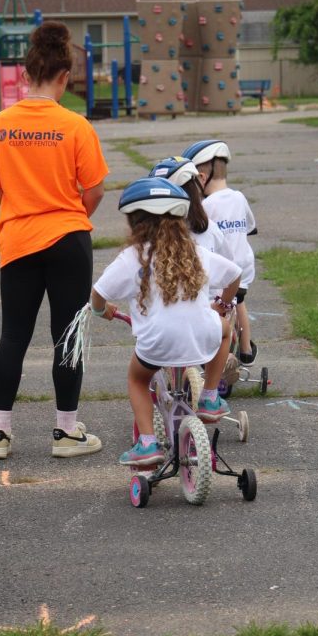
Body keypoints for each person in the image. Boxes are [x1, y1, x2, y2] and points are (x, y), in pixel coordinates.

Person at [0, 21, 109, 460]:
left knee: (13, 336)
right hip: (68, 239)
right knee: (66, 337)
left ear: (25, 74)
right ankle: (66, 432)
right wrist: (68, 215)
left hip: (18, 240)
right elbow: (94, 190)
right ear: (64, 77)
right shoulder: (75, 126)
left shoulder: (2, 123)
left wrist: (22, 201)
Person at [89, 178, 241, 466]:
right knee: (224, 329)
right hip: (202, 335)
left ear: (135, 221)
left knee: (137, 379)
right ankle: (209, 396)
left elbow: (98, 295)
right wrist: (220, 306)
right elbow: (234, 275)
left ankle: (147, 444)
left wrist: (101, 311)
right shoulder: (194, 252)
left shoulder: (133, 257)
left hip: (158, 342)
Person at [182, 139, 257, 364]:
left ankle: (220, 355)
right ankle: (246, 350)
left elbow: (202, 232)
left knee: (218, 309)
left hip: (222, 270)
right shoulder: (239, 197)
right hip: (243, 267)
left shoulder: (206, 206)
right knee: (239, 302)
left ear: (202, 176)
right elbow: (250, 225)